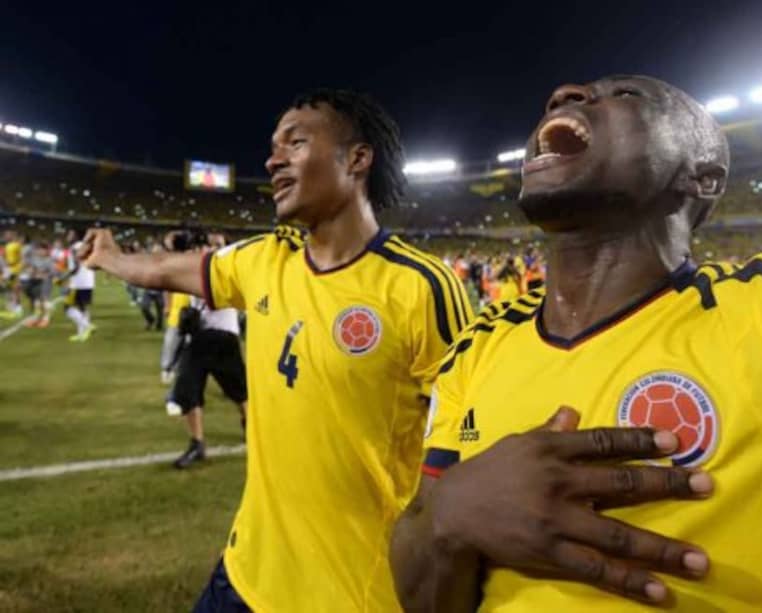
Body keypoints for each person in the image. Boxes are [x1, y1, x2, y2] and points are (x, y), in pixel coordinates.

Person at [391, 75, 762, 612]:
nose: (565, 93)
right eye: (565, 95)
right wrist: (448, 516)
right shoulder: (480, 343)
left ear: (702, 178)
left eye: (625, 94)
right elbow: (423, 597)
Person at [79, 89, 480, 611]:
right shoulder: (265, 260)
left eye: (296, 142)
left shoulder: (420, 287)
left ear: (357, 158)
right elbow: (164, 270)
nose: (272, 160)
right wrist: (111, 258)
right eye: (273, 147)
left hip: (349, 595)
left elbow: (470, 441)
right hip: (243, 573)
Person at [169, 294, 248, 469]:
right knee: (188, 388)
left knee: (239, 390)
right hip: (197, 334)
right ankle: (197, 444)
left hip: (223, 334)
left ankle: (250, 426)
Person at [64, 233, 96, 342]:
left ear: (75, 236)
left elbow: (75, 267)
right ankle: (82, 334)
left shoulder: (74, 248)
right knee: (83, 307)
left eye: (69, 234)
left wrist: (63, 278)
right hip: (89, 281)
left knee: (68, 308)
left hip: (77, 283)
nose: (67, 236)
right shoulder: (87, 247)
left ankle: (88, 326)